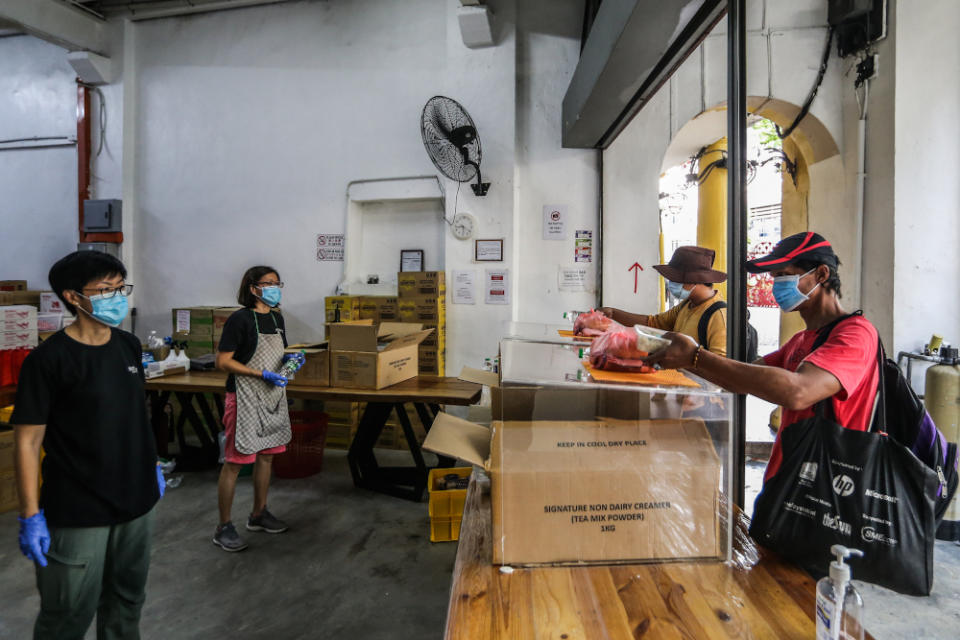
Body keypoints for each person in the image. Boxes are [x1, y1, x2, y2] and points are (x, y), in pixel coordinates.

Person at [11, 250, 164, 640]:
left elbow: (133, 416)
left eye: (119, 287)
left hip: (136, 501)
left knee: (127, 603)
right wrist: (31, 514)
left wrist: (153, 467)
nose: (117, 297)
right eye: (105, 289)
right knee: (67, 613)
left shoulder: (128, 346)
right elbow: (28, 441)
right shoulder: (48, 360)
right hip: (79, 508)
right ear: (74, 297)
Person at [644, 232, 879, 485]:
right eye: (774, 277)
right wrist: (682, 358)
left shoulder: (856, 334)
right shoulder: (800, 341)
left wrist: (696, 356)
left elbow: (798, 392)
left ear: (821, 274)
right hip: (788, 480)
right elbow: (739, 377)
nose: (776, 285)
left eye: (783, 275)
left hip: (829, 488)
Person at [213, 265, 303, 552]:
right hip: (244, 397)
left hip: (272, 397)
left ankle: (258, 513)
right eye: (268, 283)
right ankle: (224, 526)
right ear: (253, 289)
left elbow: (279, 355)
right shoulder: (240, 320)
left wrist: (292, 363)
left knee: (267, 458)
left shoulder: (277, 319)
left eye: (278, 283)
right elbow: (223, 361)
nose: (275, 288)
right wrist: (260, 374)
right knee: (236, 462)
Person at [600, 245, 728, 355]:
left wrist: (690, 359)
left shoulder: (718, 315)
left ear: (694, 280)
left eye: (674, 279)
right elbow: (654, 323)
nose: (671, 283)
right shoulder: (687, 305)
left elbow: (721, 366)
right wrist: (612, 313)